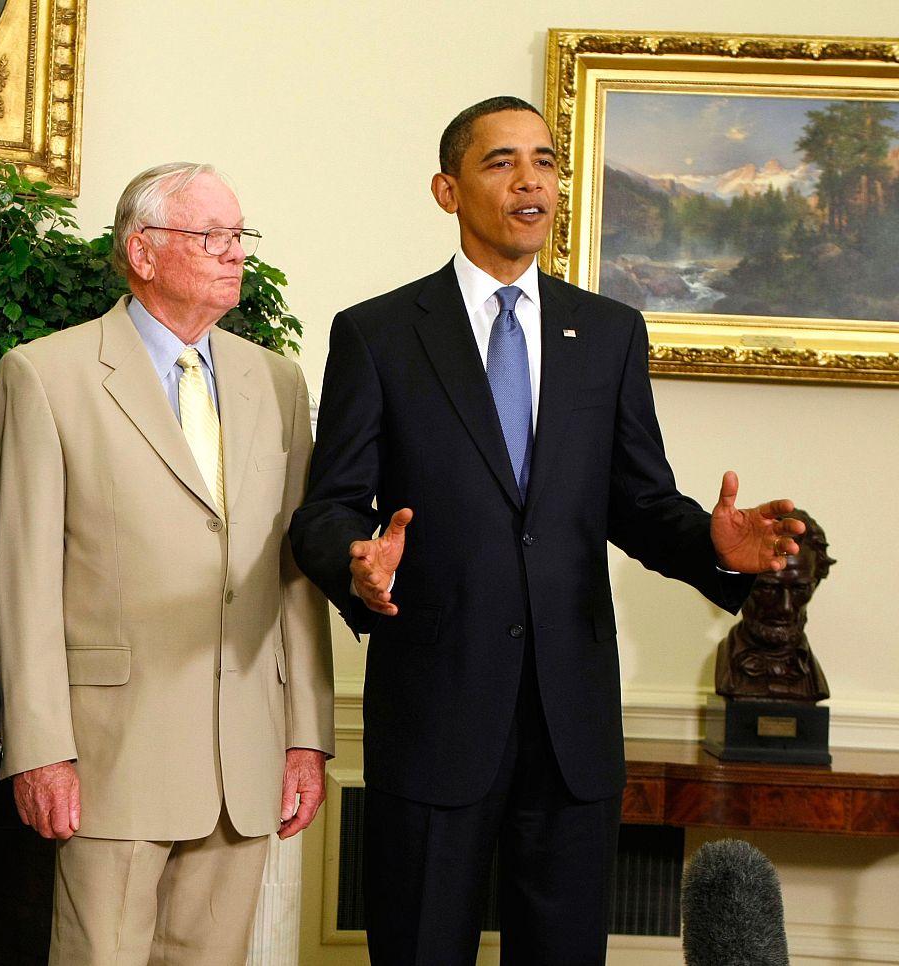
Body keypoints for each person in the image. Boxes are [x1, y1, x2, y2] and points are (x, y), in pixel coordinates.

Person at [288, 96, 805, 965]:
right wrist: (356, 564)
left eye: (546, 161)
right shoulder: (378, 335)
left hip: (572, 725)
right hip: (436, 715)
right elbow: (326, 508)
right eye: (501, 162)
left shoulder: (607, 333)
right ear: (447, 191)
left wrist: (715, 549)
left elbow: (639, 504)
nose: (530, 181)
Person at [0, 162, 334, 966]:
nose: (232, 253)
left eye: (238, 236)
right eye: (210, 236)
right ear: (142, 253)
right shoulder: (47, 373)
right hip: (111, 757)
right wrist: (39, 748)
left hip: (247, 757)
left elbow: (294, 575)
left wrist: (307, 736)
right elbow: (20, 583)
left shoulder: (276, 382)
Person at [716, 508, 832, 702]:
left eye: (799, 589)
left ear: (816, 582)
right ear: (741, 583)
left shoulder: (812, 677)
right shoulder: (727, 666)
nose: (785, 607)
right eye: (769, 587)